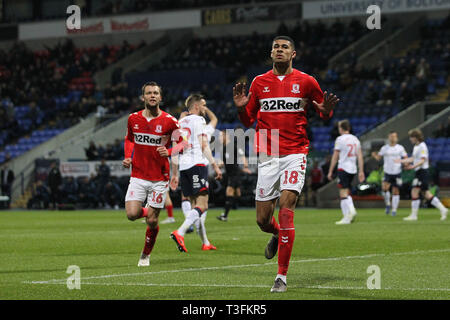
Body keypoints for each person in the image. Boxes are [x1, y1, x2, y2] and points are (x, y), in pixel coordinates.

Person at [233, 35, 339, 292]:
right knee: (262, 220)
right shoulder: (259, 82)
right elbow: (248, 122)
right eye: (276, 47)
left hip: (295, 152)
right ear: (271, 54)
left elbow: (325, 112)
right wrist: (240, 107)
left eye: (285, 47)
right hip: (268, 156)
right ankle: (275, 234)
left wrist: (325, 110)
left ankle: (281, 276)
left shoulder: (306, 81)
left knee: (287, 206)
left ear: (293, 54)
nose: (279, 50)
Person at [122, 81, 186, 267]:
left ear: (160, 97)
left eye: (155, 93)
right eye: (149, 93)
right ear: (143, 97)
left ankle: (145, 254)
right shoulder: (133, 118)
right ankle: (149, 211)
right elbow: (129, 139)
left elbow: (183, 144)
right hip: (138, 175)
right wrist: (127, 157)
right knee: (132, 214)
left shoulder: (170, 121)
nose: (152, 95)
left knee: (151, 221)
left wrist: (171, 151)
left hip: (159, 178)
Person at [170, 94, 222, 253]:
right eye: (203, 104)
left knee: (195, 207)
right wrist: (215, 165)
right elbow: (204, 145)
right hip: (197, 165)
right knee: (203, 205)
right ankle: (180, 232)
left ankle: (205, 242)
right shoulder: (199, 121)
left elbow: (174, 151)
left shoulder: (178, 123)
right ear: (197, 106)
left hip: (184, 167)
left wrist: (175, 174)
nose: (205, 108)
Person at [178, 106, 218, 232]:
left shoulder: (184, 126)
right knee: (202, 201)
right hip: (199, 165)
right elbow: (214, 119)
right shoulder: (204, 127)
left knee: (186, 197)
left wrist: (182, 117)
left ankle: (191, 225)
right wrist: (207, 109)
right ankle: (194, 227)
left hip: (184, 165)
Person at [398, 129, 448, 221]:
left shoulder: (422, 146)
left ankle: (414, 215)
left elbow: (423, 160)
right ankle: (443, 209)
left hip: (422, 172)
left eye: (411, 137)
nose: (410, 139)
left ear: (416, 137)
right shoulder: (416, 147)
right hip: (419, 172)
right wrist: (401, 161)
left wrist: (412, 167)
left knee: (415, 191)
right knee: (426, 193)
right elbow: (413, 158)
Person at [327, 120, 365, 225]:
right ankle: (348, 218)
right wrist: (361, 171)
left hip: (343, 168)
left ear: (341, 128)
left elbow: (335, 156)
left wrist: (330, 171)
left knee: (343, 193)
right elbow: (360, 156)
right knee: (346, 191)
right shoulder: (355, 139)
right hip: (353, 169)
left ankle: (350, 212)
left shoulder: (340, 139)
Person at [217, 130, 251, 222]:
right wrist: (218, 165)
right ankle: (236, 204)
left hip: (235, 173)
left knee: (229, 192)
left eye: (221, 136)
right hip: (229, 174)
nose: (219, 138)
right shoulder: (223, 148)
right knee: (237, 194)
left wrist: (244, 163)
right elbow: (224, 161)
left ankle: (224, 215)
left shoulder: (232, 146)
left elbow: (241, 154)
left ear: (226, 136)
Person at [371, 131, 407, 216]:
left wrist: (405, 163)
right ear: (388, 138)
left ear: (397, 138)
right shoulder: (384, 148)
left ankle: (394, 210)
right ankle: (387, 204)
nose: (392, 138)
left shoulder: (400, 148)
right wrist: (374, 155)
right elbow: (378, 158)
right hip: (387, 171)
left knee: (395, 191)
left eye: (394, 136)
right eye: (391, 136)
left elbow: (405, 157)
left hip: (397, 172)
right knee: (384, 188)